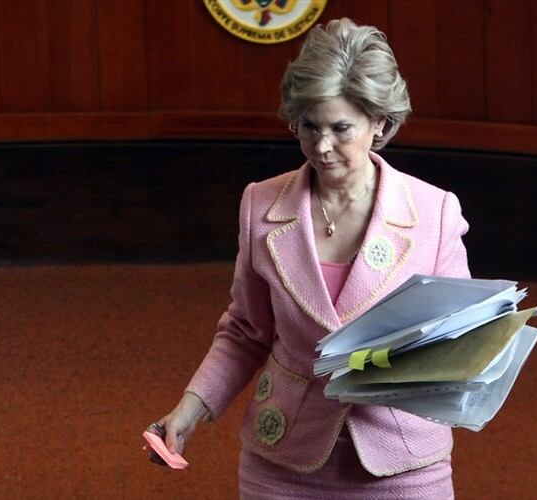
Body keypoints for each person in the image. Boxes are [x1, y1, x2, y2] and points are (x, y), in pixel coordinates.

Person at [147, 18, 470, 499]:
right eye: (308, 126)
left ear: (378, 122)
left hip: (402, 462)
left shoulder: (434, 212)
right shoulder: (260, 205)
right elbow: (245, 331)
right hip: (283, 458)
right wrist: (188, 411)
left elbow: (462, 339)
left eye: (341, 129)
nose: (321, 146)